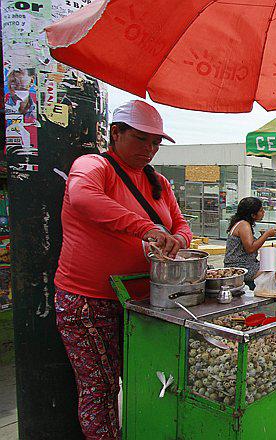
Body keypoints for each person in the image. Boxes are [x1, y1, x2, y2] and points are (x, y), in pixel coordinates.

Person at [55, 100, 191, 439]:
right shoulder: (92, 165)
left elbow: (181, 224)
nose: (150, 149)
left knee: (149, 376)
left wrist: (177, 238)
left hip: (143, 301)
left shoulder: (159, 182)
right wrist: (143, 227)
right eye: (141, 139)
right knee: (99, 389)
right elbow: (82, 197)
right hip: (89, 300)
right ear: (115, 133)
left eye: (156, 143)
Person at [225, 197, 276, 289]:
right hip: (241, 268)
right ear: (253, 215)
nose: (263, 212)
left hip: (245, 264)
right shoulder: (244, 225)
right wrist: (266, 235)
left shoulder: (241, 223)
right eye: (261, 210)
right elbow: (250, 248)